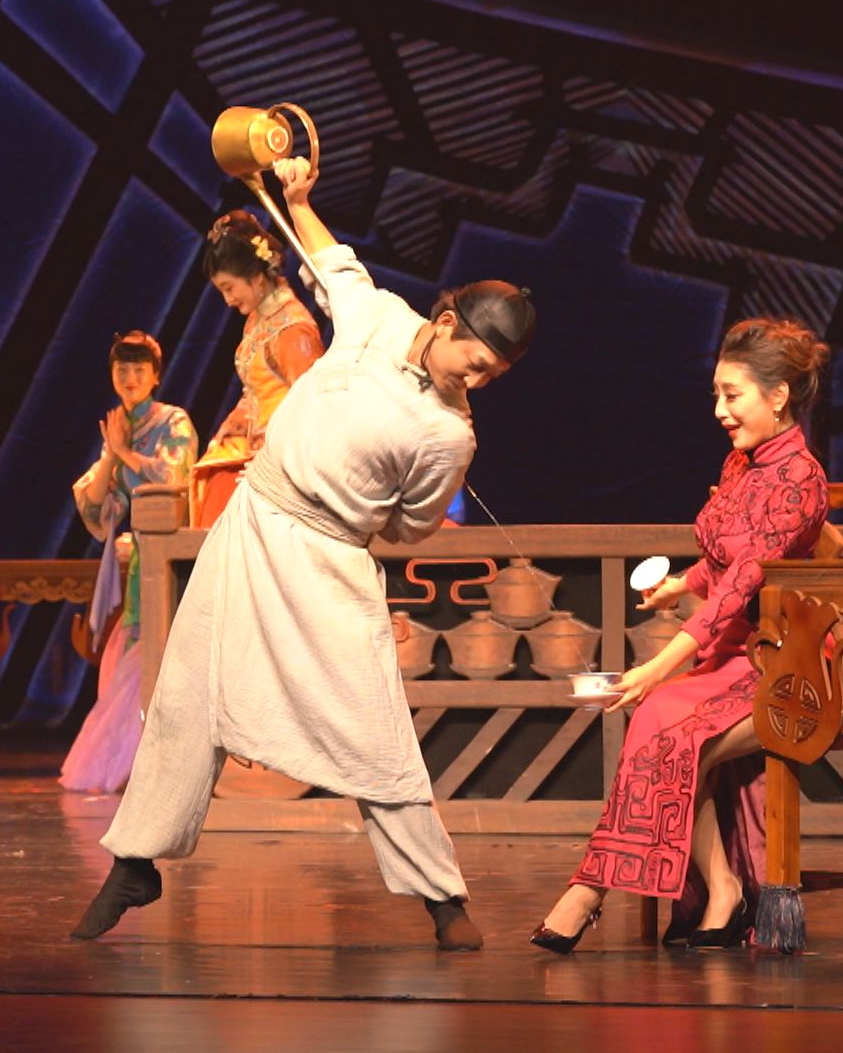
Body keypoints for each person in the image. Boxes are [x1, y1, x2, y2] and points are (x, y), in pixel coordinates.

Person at [71, 157, 536, 949]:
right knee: (188, 690)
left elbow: (413, 525)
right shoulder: (379, 318)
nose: (479, 380)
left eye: (493, 375)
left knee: (370, 724)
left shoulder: (450, 432)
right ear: (451, 322)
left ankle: (441, 898)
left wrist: (345, 507)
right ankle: (137, 859)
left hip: (327, 555)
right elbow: (332, 261)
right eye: (477, 362)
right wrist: (299, 199)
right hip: (251, 520)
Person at [532, 318, 829, 953]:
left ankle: (589, 891)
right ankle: (720, 888)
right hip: (736, 652)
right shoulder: (743, 461)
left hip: (787, 662)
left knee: (664, 718)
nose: (719, 410)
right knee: (665, 731)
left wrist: (660, 665)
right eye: (717, 395)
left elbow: (741, 585)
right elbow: (727, 557)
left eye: (733, 395)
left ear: (778, 397)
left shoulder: (798, 478)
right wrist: (681, 583)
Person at [58, 332, 197, 793]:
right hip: (140, 556)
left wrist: (121, 453)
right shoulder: (119, 425)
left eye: (139, 370)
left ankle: (166, 764)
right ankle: (134, 764)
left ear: (156, 376)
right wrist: (110, 456)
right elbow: (97, 508)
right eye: (122, 370)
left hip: (172, 556)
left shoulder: (173, 421)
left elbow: (172, 478)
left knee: (160, 652)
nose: (130, 378)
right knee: (131, 655)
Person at [191, 210, 326, 528]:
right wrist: (234, 424)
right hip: (256, 450)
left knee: (222, 489)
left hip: (284, 460)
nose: (226, 300)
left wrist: (272, 458)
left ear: (256, 276)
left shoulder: (291, 328)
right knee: (212, 477)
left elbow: (315, 406)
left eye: (229, 287)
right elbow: (255, 390)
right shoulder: (258, 319)